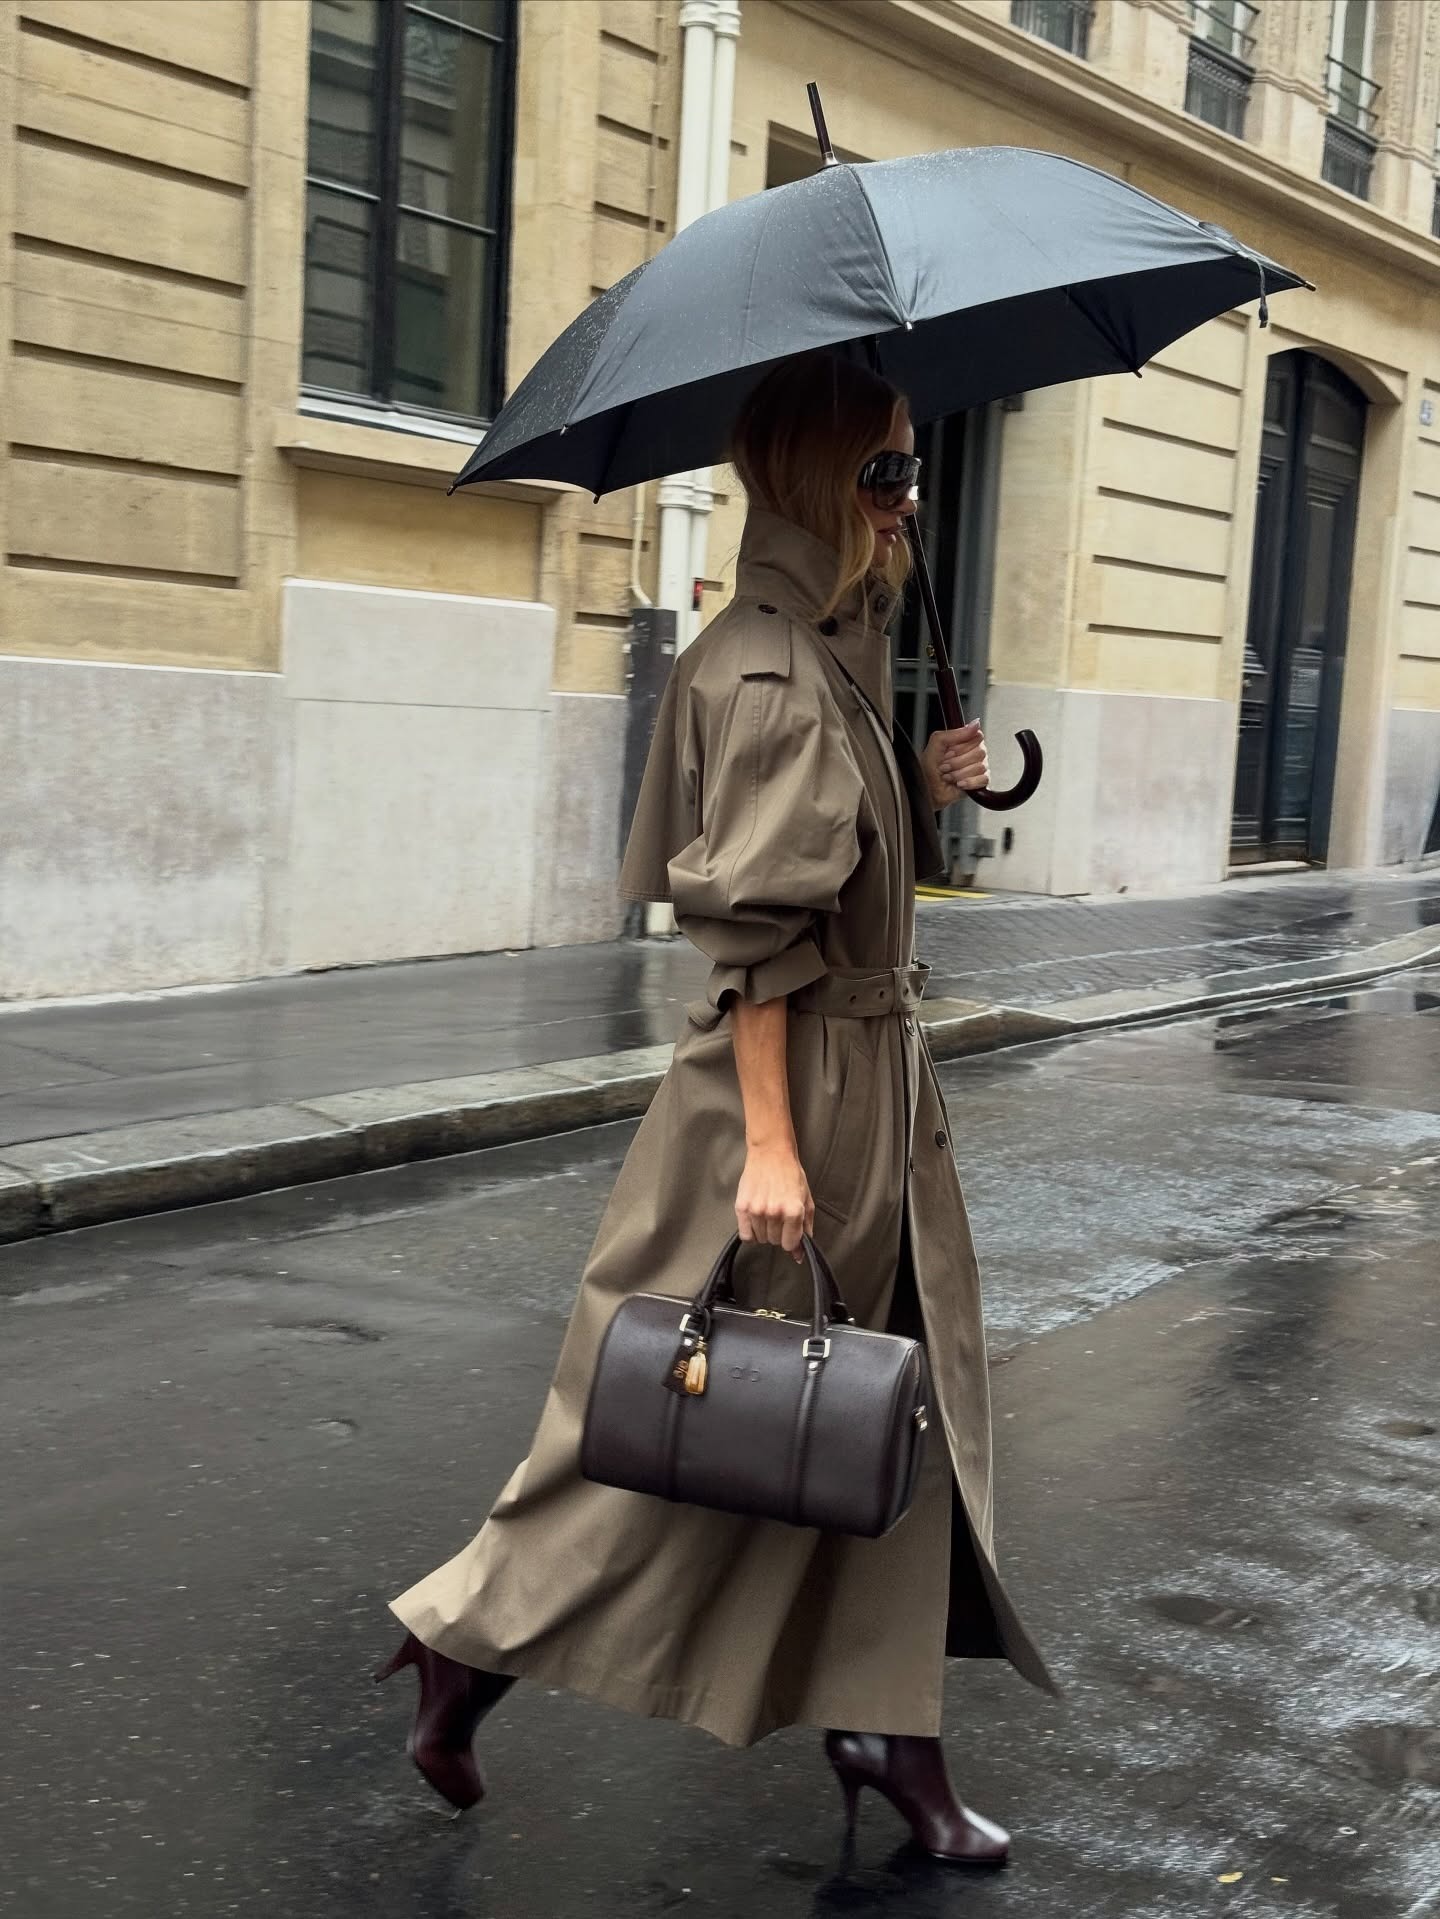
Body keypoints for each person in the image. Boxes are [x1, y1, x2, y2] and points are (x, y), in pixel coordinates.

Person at [376, 350, 1056, 1865]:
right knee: (688, 1423)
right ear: (812, 480)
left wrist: (923, 790)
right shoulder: (765, 672)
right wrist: (770, 1148)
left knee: (883, 1419)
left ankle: (890, 1733)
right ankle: (469, 1639)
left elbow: (839, 860)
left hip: (862, 1081)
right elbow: (753, 939)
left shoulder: (827, 652)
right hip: (795, 1090)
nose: (907, 499)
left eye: (913, 469)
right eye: (881, 473)